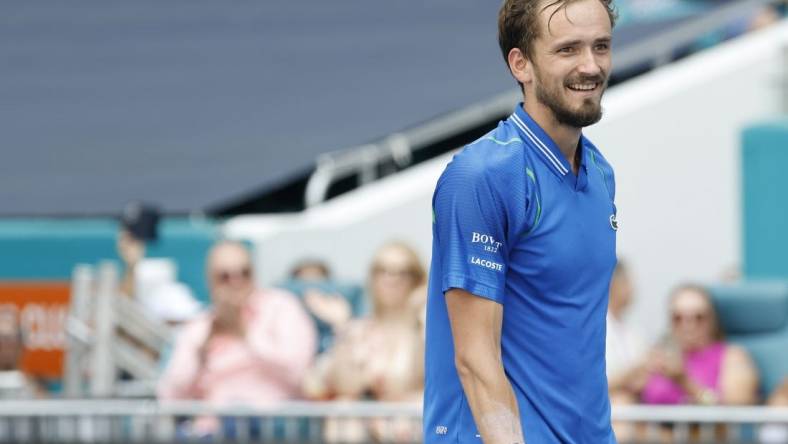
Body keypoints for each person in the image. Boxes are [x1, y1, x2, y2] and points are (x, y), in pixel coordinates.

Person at [423, 0, 619, 442]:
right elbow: (475, 360)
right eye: (568, 50)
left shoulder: (601, 173)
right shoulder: (482, 177)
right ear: (521, 64)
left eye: (601, 46)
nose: (591, 66)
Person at [158, 240, 317, 436]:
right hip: (212, 429)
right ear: (210, 282)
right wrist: (200, 356)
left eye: (244, 273)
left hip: (273, 425)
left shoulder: (282, 307)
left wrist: (246, 335)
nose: (236, 282)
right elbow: (170, 398)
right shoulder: (199, 327)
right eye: (225, 277)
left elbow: (298, 373)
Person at [303, 241, 426, 443]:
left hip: (409, 429)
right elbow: (346, 386)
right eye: (382, 270)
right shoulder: (358, 328)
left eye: (402, 272)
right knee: (343, 413)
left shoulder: (426, 328)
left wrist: (414, 314)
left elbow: (402, 381)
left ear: (417, 279)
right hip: (366, 430)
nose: (390, 279)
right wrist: (342, 326)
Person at [638, 284, 759, 406]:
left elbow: (735, 410)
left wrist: (684, 381)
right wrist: (636, 370)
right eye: (678, 318)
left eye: (699, 317)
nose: (688, 326)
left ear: (713, 320)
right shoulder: (658, 357)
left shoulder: (732, 356)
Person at [606, 260, 648, 397]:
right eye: (628, 282)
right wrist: (629, 375)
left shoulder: (633, 332)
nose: (633, 289)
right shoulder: (594, 329)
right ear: (614, 284)